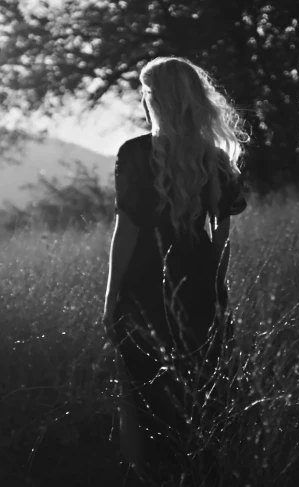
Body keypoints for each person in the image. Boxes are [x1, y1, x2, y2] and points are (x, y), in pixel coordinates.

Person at [102, 57, 248, 486]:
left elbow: (126, 231)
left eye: (145, 92)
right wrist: (217, 285)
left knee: (146, 390)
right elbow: (222, 232)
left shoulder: (135, 152)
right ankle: (206, 469)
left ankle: (154, 473)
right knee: (203, 383)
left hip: (145, 280)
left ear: (157, 98)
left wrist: (111, 299)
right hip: (199, 277)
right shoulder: (214, 155)